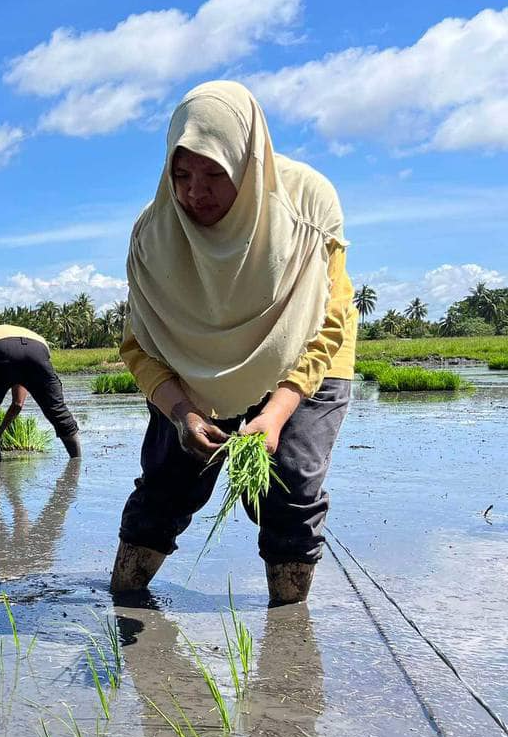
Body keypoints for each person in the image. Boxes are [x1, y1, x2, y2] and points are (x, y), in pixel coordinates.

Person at [110, 81, 358, 606]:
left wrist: (275, 413)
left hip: (305, 359)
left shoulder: (309, 204)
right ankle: (124, 600)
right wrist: (181, 413)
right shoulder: (153, 235)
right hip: (195, 374)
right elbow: (139, 347)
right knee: (167, 482)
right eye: (182, 175)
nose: (195, 193)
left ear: (247, 166)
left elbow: (330, 322)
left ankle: (287, 639)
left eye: (214, 175)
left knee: (287, 483)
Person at [0, 324, 81, 460]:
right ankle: (77, 461)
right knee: (57, 410)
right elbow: (18, 404)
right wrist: (0, 430)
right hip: (38, 348)